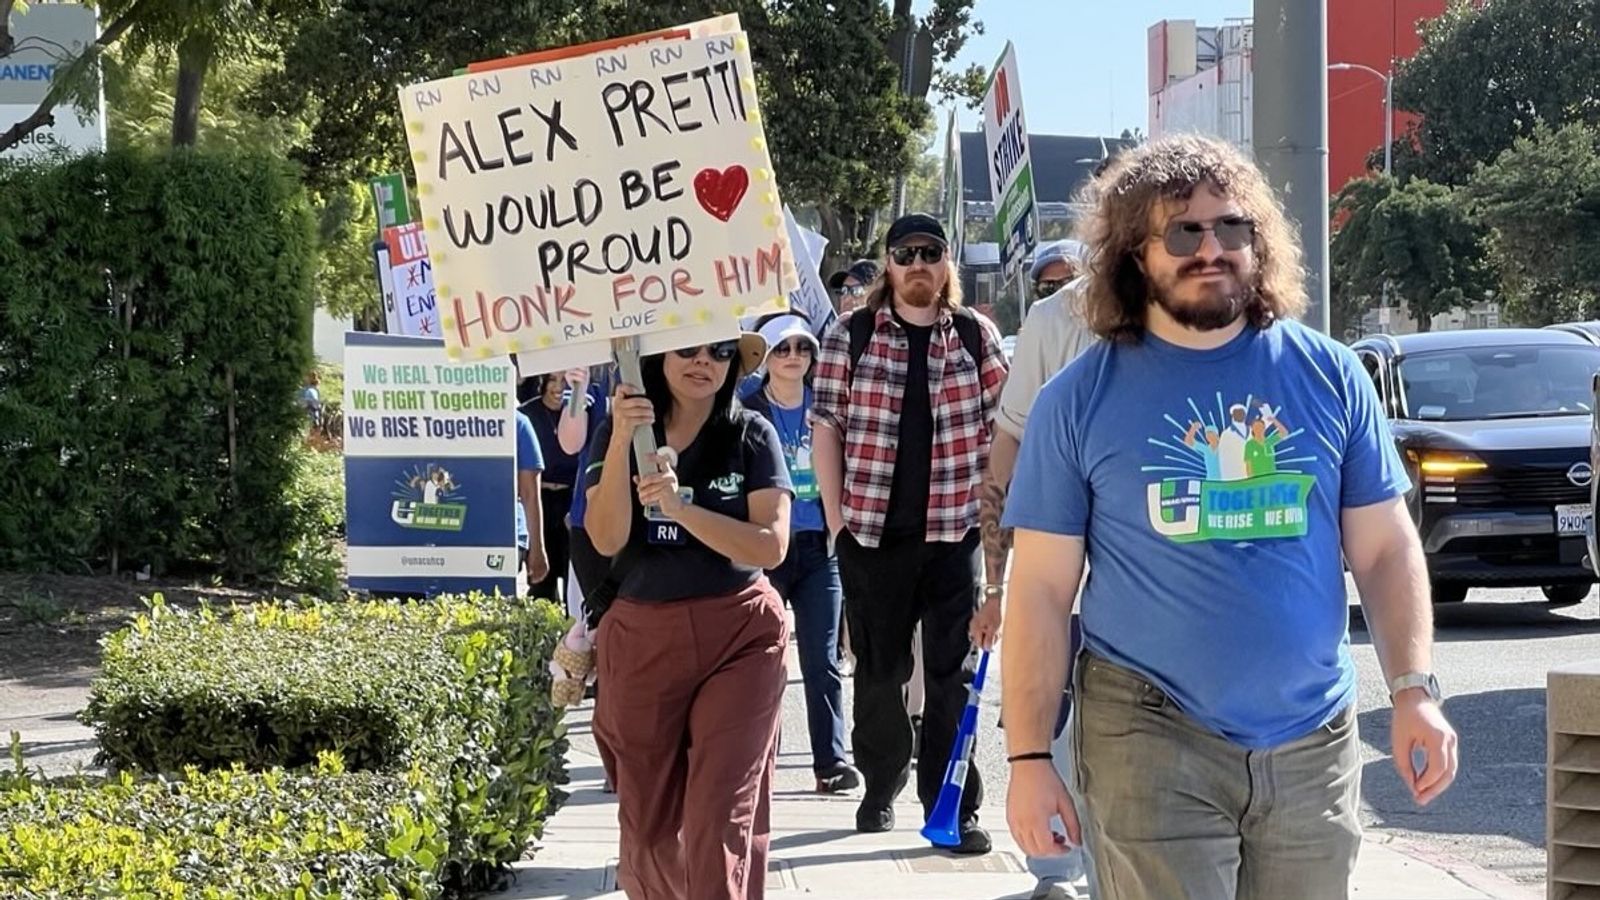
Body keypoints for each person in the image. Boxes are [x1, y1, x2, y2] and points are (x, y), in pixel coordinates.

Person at [1001, 134, 1459, 900]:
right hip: (1148, 731)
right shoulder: (1074, 402)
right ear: (1135, 253)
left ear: (1259, 239)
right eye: (1183, 232)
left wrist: (1414, 690)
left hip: (1312, 736)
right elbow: (1042, 592)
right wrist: (1028, 760)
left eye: (1231, 227)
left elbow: (1384, 550)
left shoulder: (1332, 376)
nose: (1211, 249)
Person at [811, 212, 1008, 852]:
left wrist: (998, 541)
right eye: (905, 254)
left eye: (930, 252)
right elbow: (826, 428)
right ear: (888, 264)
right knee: (879, 673)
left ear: (947, 261)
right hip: (873, 536)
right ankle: (880, 784)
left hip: (956, 536)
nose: (918, 264)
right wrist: (837, 523)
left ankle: (952, 805)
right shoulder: (852, 334)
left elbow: (1005, 436)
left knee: (954, 676)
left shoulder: (976, 336)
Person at [585, 332, 792, 900]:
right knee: (648, 833)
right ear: (660, 357)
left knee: (717, 818)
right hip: (643, 636)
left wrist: (680, 509)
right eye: (690, 349)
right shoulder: (616, 430)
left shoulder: (753, 434)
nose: (705, 361)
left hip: (741, 637)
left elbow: (771, 546)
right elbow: (605, 538)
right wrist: (623, 436)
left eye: (721, 351)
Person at [978, 241, 1097, 899]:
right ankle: (1056, 869)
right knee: (1052, 717)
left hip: (1153, 578)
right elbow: (1008, 447)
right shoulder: (1053, 323)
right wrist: (995, 583)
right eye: (1046, 281)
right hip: (1061, 571)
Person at [743, 312, 862, 794]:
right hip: (765, 547)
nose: (794, 357)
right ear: (766, 357)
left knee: (822, 659)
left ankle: (830, 762)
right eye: (783, 348)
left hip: (820, 547)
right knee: (760, 659)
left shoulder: (828, 405)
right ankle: (756, 763)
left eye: (803, 348)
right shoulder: (746, 410)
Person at [523, 372, 579, 602]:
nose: (559, 387)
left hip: (571, 500)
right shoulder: (527, 414)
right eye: (553, 380)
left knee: (572, 581)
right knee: (540, 586)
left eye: (565, 381)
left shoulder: (580, 414)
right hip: (537, 500)